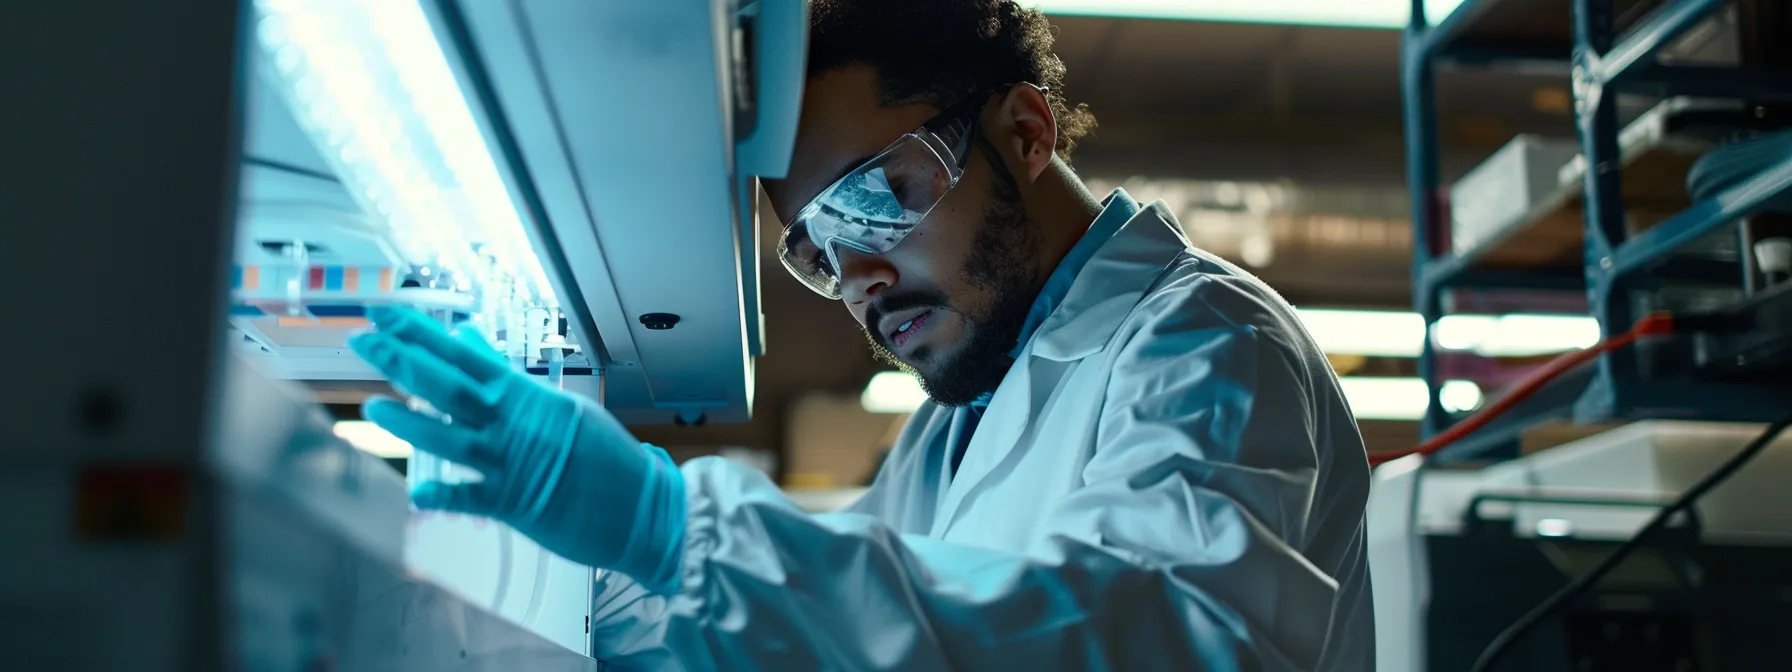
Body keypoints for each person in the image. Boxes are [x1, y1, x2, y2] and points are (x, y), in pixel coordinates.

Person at [347, 0, 1375, 669]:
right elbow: (874, 619)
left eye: (880, 199)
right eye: (816, 251)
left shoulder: (1205, 346)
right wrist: (610, 585)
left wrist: (672, 529)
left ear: (1025, 130)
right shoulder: (958, 417)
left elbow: (1152, 641)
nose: (857, 280)